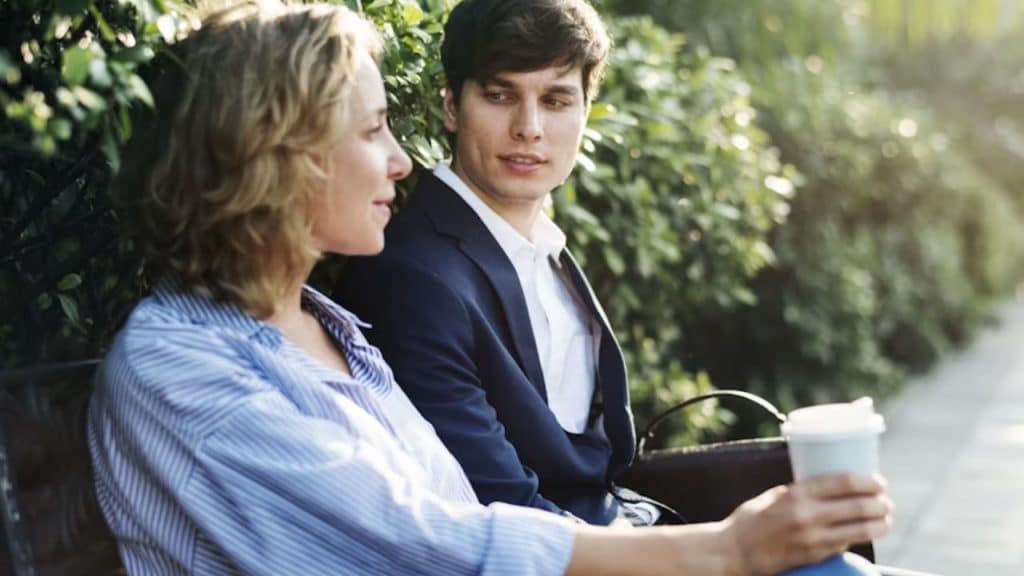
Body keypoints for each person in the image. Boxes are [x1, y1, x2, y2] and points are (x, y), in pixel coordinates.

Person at [87, 1, 892, 574]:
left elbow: (467, 519)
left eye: (557, 100)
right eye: (374, 131)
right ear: (276, 152)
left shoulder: (327, 326)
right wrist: (724, 550)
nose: (401, 162)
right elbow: (430, 543)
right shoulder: (182, 369)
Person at [334, 0, 642, 525]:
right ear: (451, 105)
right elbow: (498, 511)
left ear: (586, 110)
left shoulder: (543, 248)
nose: (529, 128)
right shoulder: (411, 278)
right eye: (500, 95)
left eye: (557, 100)